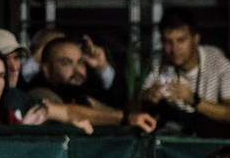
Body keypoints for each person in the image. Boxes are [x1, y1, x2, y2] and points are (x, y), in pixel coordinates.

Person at [140, 8, 230, 137]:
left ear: (196, 39)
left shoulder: (221, 65)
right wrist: (148, 98)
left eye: (181, 40)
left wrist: (193, 100)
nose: (174, 49)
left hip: (213, 139)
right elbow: (133, 108)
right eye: (167, 42)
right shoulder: (157, 64)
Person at [25, 37, 156, 133]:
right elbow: (71, 112)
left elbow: (111, 110)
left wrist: (102, 67)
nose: (77, 70)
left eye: (81, 62)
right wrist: (125, 119)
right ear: (47, 70)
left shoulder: (82, 94)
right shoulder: (39, 94)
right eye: (66, 63)